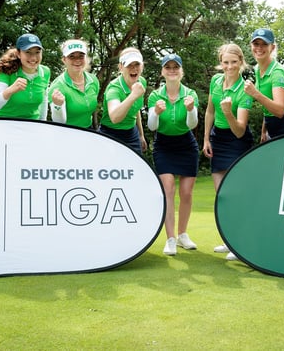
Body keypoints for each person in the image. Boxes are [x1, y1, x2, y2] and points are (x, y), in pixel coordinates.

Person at [202, 43, 254, 261]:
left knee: (235, 195)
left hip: (237, 142)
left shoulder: (245, 90)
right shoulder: (216, 81)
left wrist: (229, 112)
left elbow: (240, 130)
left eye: (234, 62)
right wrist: (206, 138)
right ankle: (228, 239)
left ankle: (240, 243)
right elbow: (209, 110)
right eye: (225, 62)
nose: (229, 67)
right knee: (221, 196)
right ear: (220, 63)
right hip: (218, 139)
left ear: (241, 62)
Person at [147, 53, 200, 256]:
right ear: (162, 72)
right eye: (167, 67)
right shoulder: (155, 96)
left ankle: (182, 235)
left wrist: (190, 109)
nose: (171, 71)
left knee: (186, 193)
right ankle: (170, 239)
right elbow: (152, 126)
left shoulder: (190, 94)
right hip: (164, 145)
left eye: (175, 67)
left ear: (181, 71)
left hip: (186, 145)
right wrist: (156, 113)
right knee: (168, 189)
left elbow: (192, 124)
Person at [244, 28, 284, 141]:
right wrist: (264, 131)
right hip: (272, 127)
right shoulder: (257, 69)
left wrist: (255, 93)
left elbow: (280, 111)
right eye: (256, 44)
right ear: (251, 46)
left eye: (264, 44)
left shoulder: (277, 73)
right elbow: (267, 104)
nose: (259, 48)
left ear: (272, 47)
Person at [0, 33, 50, 120]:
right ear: (18, 54)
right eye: (28, 52)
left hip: (32, 125)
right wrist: (10, 90)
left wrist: (43, 124)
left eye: (37, 52)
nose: (33, 58)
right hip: (4, 123)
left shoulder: (45, 72)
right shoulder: (6, 70)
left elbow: (44, 101)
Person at [99, 47, 148, 154]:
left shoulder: (141, 82)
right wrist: (132, 96)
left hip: (131, 133)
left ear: (142, 66)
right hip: (110, 133)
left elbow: (136, 110)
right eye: (129, 65)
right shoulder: (114, 89)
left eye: (137, 64)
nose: (134, 68)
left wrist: (141, 134)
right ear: (121, 67)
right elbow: (115, 117)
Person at [49, 39, 99, 128]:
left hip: (89, 130)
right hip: (68, 133)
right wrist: (58, 106)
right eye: (72, 56)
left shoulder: (93, 80)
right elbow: (58, 122)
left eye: (81, 56)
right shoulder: (57, 86)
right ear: (64, 60)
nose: (77, 60)